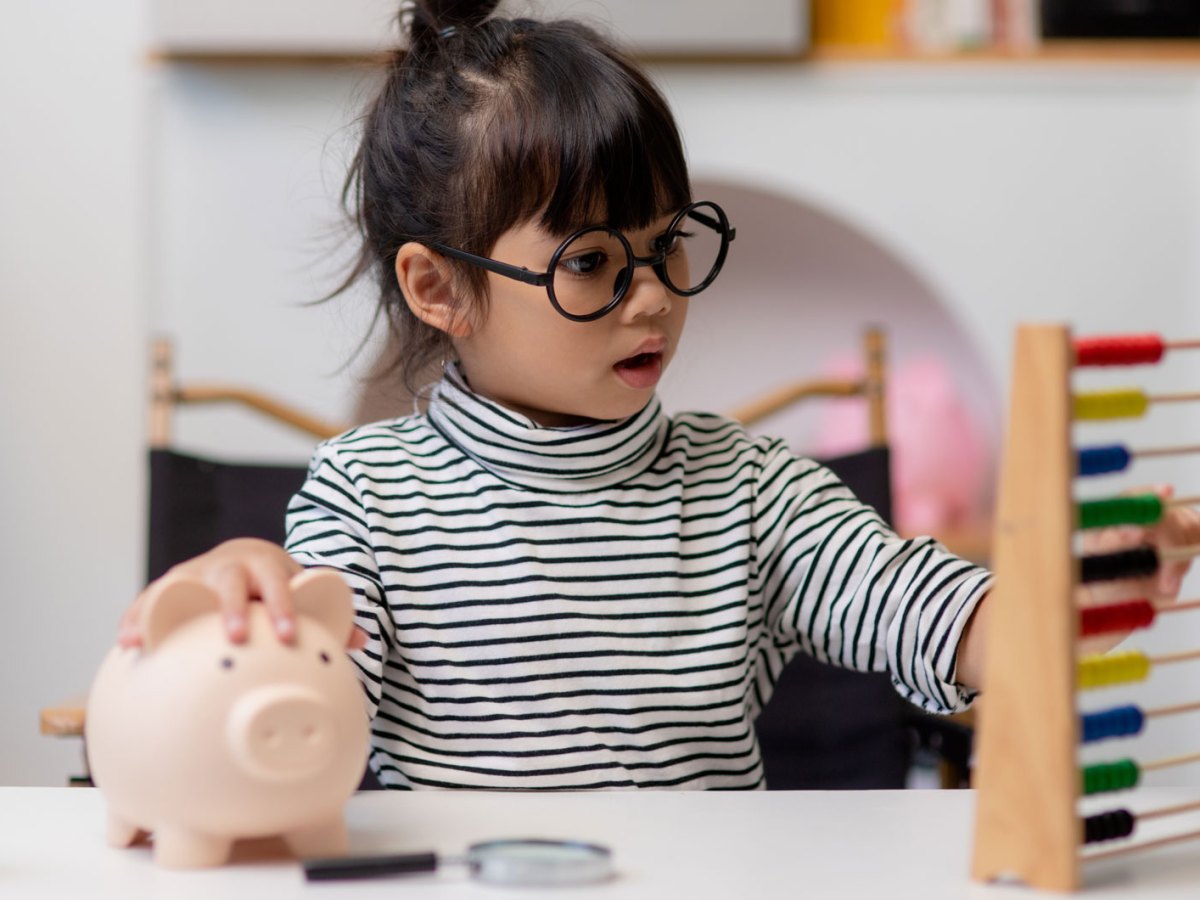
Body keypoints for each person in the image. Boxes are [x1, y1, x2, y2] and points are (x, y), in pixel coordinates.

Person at [118, 0, 1200, 790]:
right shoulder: (367, 496)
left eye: (668, 247)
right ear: (438, 287)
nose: (653, 299)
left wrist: (1083, 584)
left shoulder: (750, 488)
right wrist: (242, 598)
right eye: (591, 263)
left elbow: (943, 620)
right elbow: (296, 712)